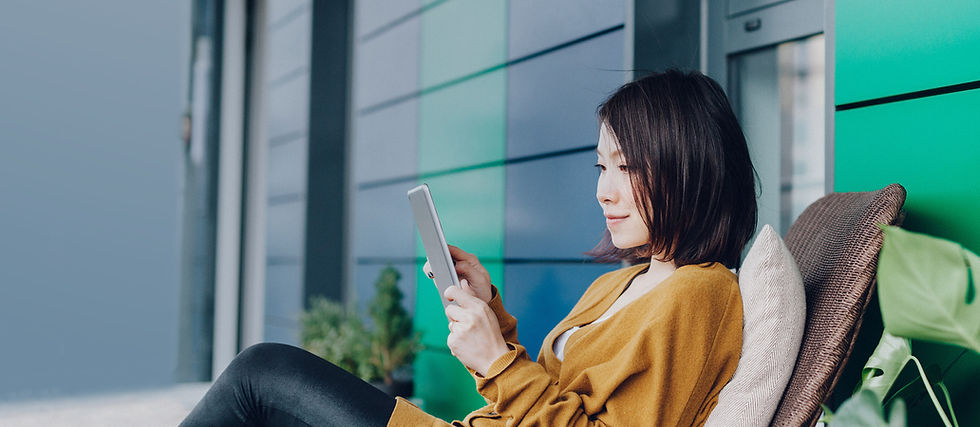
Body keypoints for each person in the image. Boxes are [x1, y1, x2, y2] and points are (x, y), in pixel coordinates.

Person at [180, 68, 757, 427]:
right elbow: (556, 397)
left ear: (689, 169)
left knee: (262, 375)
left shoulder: (700, 294)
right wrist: (495, 318)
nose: (602, 190)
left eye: (626, 168)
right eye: (601, 166)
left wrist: (497, 363)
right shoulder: (627, 280)